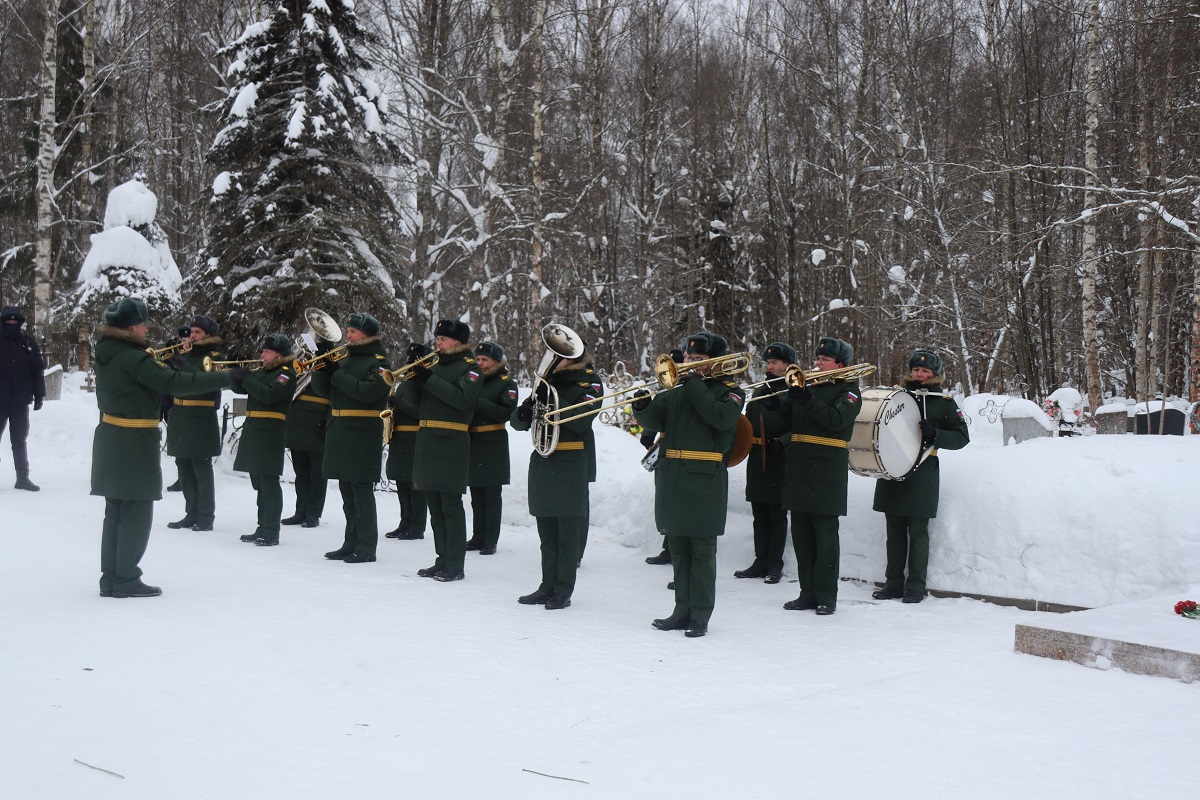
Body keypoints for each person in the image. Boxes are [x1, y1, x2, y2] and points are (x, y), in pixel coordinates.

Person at [90, 297, 237, 597]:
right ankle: (127, 578)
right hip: (133, 441)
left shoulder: (110, 351)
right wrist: (228, 377)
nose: (146, 329)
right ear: (131, 326)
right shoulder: (133, 357)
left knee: (115, 511)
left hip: (111, 437)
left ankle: (111, 577)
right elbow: (174, 383)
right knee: (137, 510)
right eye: (143, 323)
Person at [633, 333, 744, 638]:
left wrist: (693, 383)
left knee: (703, 552)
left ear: (717, 362)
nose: (691, 364)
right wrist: (642, 406)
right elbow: (654, 422)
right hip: (673, 477)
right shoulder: (677, 391)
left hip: (705, 479)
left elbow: (719, 418)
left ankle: (701, 615)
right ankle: (681, 610)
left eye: (699, 359)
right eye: (690, 359)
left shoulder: (730, 393)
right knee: (679, 550)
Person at [871, 349, 969, 603]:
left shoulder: (944, 403)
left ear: (934, 374)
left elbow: (961, 438)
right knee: (893, 533)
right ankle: (893, 584)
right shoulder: (898, 397)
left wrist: (936, 434)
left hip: (922, 472)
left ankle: (915, 586)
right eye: (916, 370)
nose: (920, 375)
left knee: (917, 532)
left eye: (925, 371)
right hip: (892, 469)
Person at [509, 344, 602, 609]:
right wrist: (524, 412)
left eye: (559, 356)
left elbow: (579, 421)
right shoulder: (545, 383)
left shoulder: (590, 382)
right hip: (543, 459)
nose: (552, 360)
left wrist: (551, 404)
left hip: (570, 461)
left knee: (567, 534)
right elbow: (516, 423)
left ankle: (563, 589)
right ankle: (546, 585)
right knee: (547, 533)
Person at [779, 337, 860, 616]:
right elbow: (793, 419)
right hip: (800, 467)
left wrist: (807, 398)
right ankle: (807, 593)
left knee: (825, 538)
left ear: (839, 364)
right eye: (817, 359)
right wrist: (779, 403)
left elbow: (835, 421)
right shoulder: (811, 386)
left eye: (824, 360)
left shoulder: (849, 391)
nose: (817, 364)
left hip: (826, 470)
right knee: (801, 536)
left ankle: (827, 596)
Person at [313, 313, 390, 563]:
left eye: (353, 332)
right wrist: (321, 367)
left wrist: (335, 373)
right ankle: (350, 542)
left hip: (362, 430)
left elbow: (367, 393)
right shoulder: (344, 359)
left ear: (366, 335)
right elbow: (323, 391)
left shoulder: (379, 362)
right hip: (341, 427)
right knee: (346, 488)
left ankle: (367, 546)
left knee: (361, 489)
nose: (347, 335)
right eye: (347, 330)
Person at [411, 319, 483, 582]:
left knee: (450, 505)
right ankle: (442, 559)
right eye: (437, 337)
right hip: (428, 440)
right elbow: (413, 401)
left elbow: (460, 399)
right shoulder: (434, 365)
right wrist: (414, 372)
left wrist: (428, 378)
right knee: (434, 505)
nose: (438, 342)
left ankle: (455, 563)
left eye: (443, 338)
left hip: (451, 440)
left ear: (458, 342)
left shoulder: (471, 368)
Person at [735, 342, 797, 584]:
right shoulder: (762, 389)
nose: (770, 366)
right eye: (768, 363)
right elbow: (750, 419)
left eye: (775, 363)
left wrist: (782, 442)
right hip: (757, 454)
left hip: (780, 456)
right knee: (759, 511)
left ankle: (775, 564)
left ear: (787, 365)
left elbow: (798, 425)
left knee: (776, 513)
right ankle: (760, 560)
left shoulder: (794, 389)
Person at [231, 333, 296, 546]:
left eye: (266, 352)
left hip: (270, 432)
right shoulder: (263, 371)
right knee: (258, 482)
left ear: (278, 354)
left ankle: (271, 530)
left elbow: (268, 395)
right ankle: (262, 526)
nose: (262, 355)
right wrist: (236, 375)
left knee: (269, 482)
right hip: (254, 431)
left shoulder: (286, 374)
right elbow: (242, 388)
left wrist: (248, 379)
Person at [165, 315, 225, 531]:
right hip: (180, 414)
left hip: (200, 415)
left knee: (201, 467)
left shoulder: (214, 356)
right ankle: (191, 513)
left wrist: (180, 362)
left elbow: (205, 381)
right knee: (183, 466)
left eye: (197, 332)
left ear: (208, 335)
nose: (192, 335)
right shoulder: (186, 354)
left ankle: (206, 516)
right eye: (191, 332)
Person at [466, 341, 517, 555]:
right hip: (473, 441)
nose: (480, 363)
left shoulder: (507, 383)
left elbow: (505, 412)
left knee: (492, 495)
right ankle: (478, 536)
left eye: (484, 360)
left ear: (496, 361)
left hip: (493, 441)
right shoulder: (474, 380)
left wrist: (476, 400)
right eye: (478, 359)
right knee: (476, 493)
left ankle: (491, 540)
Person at [383, 342, 429, 541]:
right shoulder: (403, 383)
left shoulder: (426, 383)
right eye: (409, 358)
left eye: (415, 358)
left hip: (416, 437)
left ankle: (417, 526)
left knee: (415, 485)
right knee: (401, 481)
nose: (410, 361)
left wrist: (401, 405)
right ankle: (405, 521)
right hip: (400, 437)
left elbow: (422, 413)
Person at [643, 347, 684, 567]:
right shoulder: (664, 391)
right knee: (666, 498)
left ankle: (677, 550)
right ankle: (668, 548)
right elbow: (655, 416)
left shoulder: (689, 389)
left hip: (685, 449)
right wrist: (647, 435)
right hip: (665, 447)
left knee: (681, 502)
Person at [282, 352, 330, 529]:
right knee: (301, 472)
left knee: (317, 474)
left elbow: (336, 398)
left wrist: (328, 420)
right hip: (298, 424)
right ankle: (300, 510)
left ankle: (314, 512)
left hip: (317, 426)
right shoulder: (302, 366)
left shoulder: (331, 367)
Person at [0, 306, 45, 491]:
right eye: (8, 321)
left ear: (19, 323)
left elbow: (37, 371)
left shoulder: (28, 345)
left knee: (19, 440)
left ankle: (22, 478)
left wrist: (39, 395)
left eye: (15, 322)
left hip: (20, 402)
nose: (11, 324)